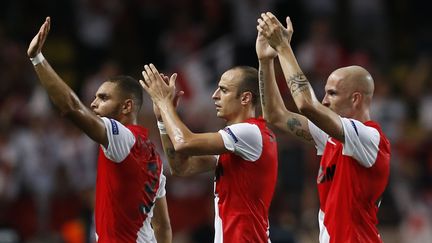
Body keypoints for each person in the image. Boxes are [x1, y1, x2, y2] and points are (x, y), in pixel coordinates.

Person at [27, 17, 172, 243]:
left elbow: (71, 107)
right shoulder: (154, 157)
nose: (94, 104)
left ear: (126, 106)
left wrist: (37, 58)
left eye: (103, 98)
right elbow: (162, 226)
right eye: (95, 97)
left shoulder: (121, 137)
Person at [256, 12, 390, 243]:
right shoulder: (332, 138)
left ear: (356, 99)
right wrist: (266, 61)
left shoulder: (370, 138)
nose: (325, 100)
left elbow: (306, 105)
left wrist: (284, 48)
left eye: (332, 93)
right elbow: (275, 115)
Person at [140, 63, 278, 242]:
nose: (214, 95)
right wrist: (162, 120)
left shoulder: (250, 132)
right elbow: (182, 167)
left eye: (223, 90)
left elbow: (184, 142)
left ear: (245, 98)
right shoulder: (235, 144)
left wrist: (165, 104)